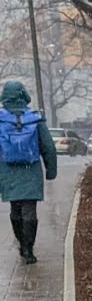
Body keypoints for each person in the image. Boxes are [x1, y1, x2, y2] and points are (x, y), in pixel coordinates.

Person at [0, 81, 57, 264]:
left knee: (15, 210)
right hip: (30, 170)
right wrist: (51, 170)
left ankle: (21, 241)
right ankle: (28, 248)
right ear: (23, 94)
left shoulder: (1, 119)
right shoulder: (35, 118)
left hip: (8, 171)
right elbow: (48, 146)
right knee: (29, 211)